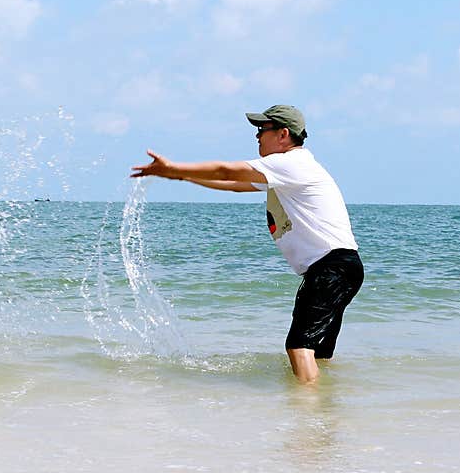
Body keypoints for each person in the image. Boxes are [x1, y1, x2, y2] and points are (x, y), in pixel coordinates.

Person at [131, 105, 363, 382]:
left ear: (283, 134)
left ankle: (308, 415)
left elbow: (226, 170)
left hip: (331, 268)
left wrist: (173, 167)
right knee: (318, 352)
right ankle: (324, 411)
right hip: (341, 268)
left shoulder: (290, 163)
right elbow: (235, 184)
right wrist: (181, 177)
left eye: (262, 130)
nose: (257, 136)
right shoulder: (290, 168)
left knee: (299, 347)